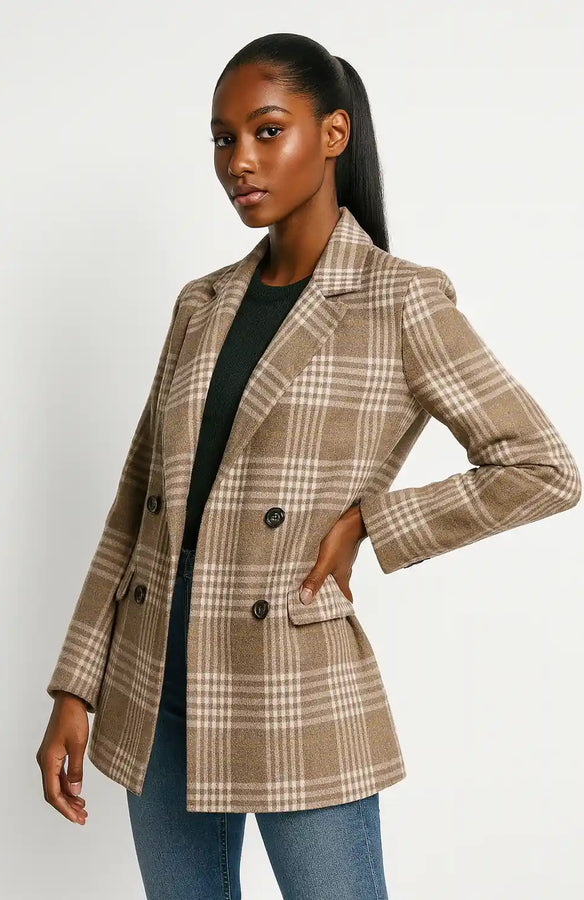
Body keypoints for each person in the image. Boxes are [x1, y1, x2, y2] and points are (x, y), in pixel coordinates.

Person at [37, 33, 581, 900]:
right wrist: (75, 687)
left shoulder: (399, 299)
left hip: (291, 681)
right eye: (223, 139)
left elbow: (543, 466)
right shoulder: (201, 303)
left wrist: (371, 521)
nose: (239, 162)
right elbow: (136, 505)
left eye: (267, 131)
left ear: (333, 134)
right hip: (154, 673)